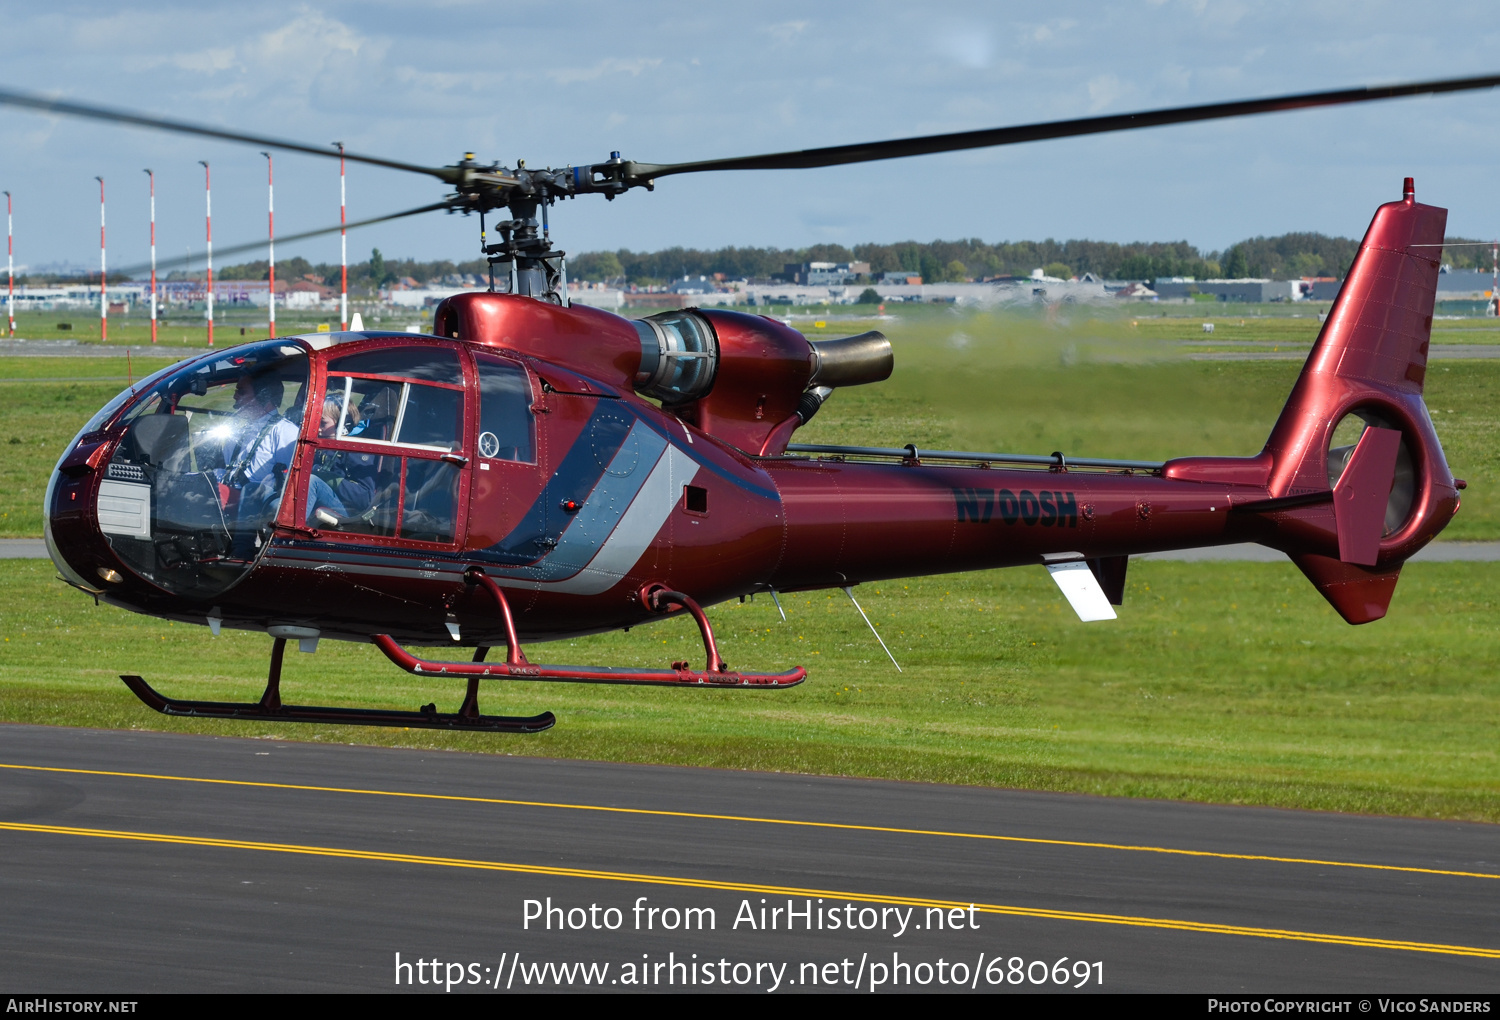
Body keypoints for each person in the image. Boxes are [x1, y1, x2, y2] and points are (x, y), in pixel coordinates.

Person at [222, 371, 299, 555]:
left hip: (255, 503)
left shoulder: (286, 433)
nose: (235, 396)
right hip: (231, 498)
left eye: (241, 391)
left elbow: (289, 485)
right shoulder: (237, 432)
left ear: (263, 395)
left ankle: (241, 552)